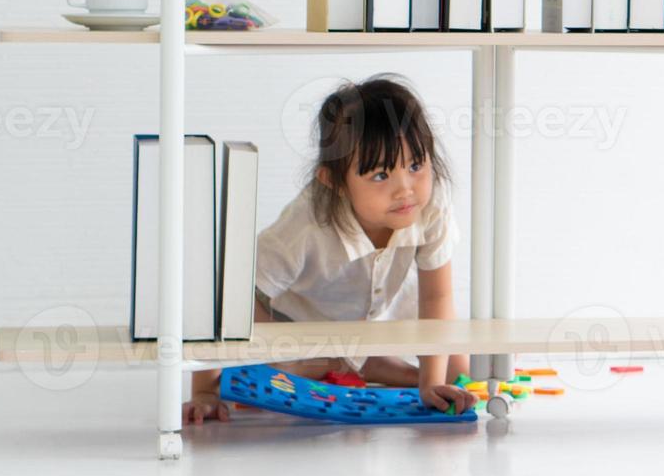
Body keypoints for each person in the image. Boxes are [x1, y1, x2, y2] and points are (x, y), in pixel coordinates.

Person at [182, 73, 479, 424]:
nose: (406, 190)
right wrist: (204, 389)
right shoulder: (307, 224)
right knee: (274, 367)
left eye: (416, 165)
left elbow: (437, 299)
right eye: (381, 176)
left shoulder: (430, 205)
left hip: (365, 316)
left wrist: (430, 383)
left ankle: (359, 360)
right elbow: (229, 296)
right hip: (293, 322)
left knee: (460, 369)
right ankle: (336, 362)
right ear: (334, 181)